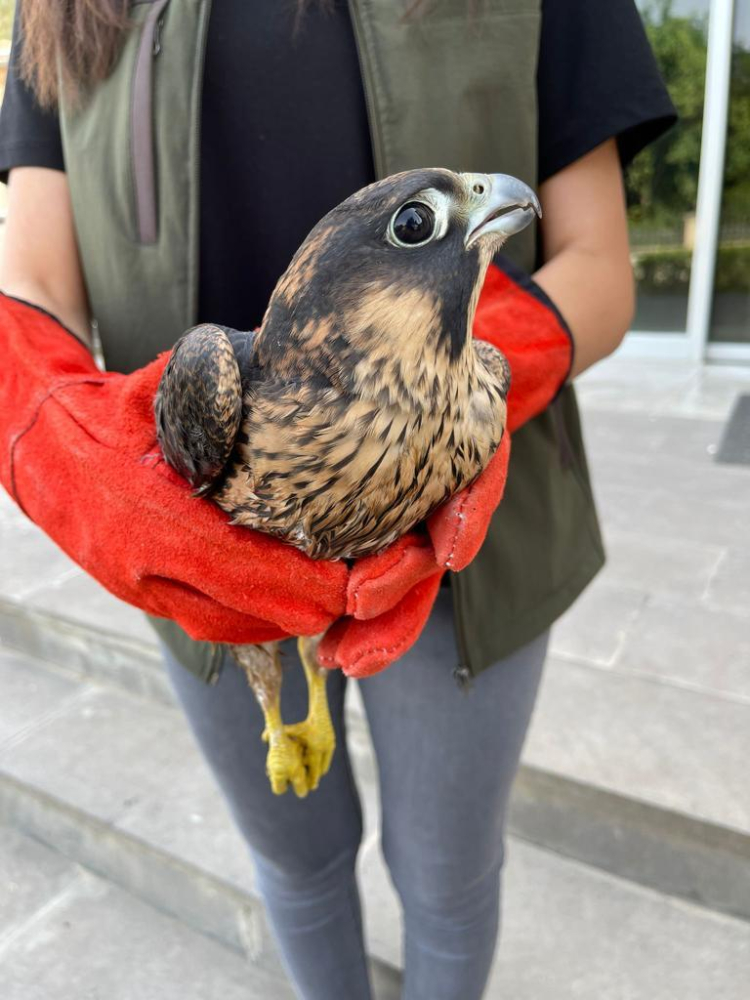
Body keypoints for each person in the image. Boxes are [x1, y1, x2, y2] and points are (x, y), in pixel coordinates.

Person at [0, 1, 676, 997]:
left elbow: (602, 268)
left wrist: (473, 385)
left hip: (465, 546)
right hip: (207, 546)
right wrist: (59, 441)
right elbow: (33, 277)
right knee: (298, 862)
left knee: (447, 877)